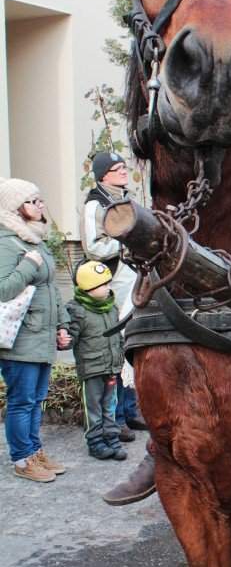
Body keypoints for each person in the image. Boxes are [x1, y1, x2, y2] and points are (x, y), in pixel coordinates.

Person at [0, 178, 70, 483]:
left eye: (40, 200)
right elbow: (3, 289)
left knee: (37, 397)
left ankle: (34, 451)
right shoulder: (6, 241)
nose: (40, 205)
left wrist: (62, 324)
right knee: (22, 399)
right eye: (32, 201)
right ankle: (22, 459)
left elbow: (52, 288)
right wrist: (28, 265)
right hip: (20, 336)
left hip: (41, 332)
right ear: (15, 206)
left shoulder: (35, 239)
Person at [81, 151, 145, 440]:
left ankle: (131, 411)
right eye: (117, 169)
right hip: (112, 283)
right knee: (115, 349)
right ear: (103, 175)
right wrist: (125, 245)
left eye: (123, 167)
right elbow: (94, 248)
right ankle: (115, 418)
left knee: (131, 343)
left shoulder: (124, 199)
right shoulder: (95, 204)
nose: (123, 172)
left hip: (131, 280)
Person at [66, 260, 127, 461]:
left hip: (111, 367)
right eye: (104, 284)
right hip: (92, 369)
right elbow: (70, 338)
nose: (108, 287)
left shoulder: (111, 307)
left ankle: (112, 437)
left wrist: (121, 356)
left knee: (110, 405)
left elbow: (117, 336)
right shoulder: (77, 310)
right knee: (94, 408)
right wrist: (64, 339)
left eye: (108, 283)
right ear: (88, 287)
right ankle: (95, 441)